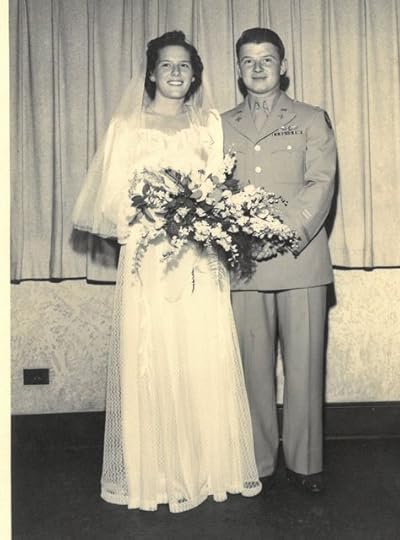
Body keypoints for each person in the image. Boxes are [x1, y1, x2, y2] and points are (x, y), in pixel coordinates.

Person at [73, 30, 261, 513]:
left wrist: (202, 218)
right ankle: (155, 475)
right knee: (152, 354)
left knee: (203, 353)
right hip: (150, 261)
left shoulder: (209, 127)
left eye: (184, 66)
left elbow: (221, 187)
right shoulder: (127, 128)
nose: (176, 73)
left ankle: (209, 468)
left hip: (200, 259)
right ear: (151, 72)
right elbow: (112, 200)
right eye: (166, 65)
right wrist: (152, 216)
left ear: (195, 74)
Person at [222, 27, 336, 494]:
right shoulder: (221, 123)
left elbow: (322, 182)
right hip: (246, 263)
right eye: (248, 60)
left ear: (282, 65)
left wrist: (283, 231)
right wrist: (246, 235)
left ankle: (306, 465)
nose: (257, 68)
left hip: (300, 258)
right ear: (238, 69)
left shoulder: (311, 118)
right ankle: (260, 462)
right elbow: (215, 190)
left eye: (266, 59)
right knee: (252, 368)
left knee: (305, 366)